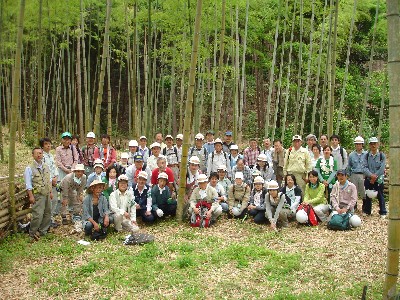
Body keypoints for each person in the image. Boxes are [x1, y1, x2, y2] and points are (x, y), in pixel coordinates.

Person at [24, 147, 53, 241]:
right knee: (38, 214)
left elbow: (49, 180)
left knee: (48, 213)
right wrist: (31, 196)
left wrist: (51, 192)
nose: (39, 155)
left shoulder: (46, 166)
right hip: (38, 194)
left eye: (40, 153)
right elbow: (28, 184)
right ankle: (32, 233)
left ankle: (42, 231)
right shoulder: (29, 168)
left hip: (47, 193)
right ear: (33, 155)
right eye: (37, 153)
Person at [363, 137, 387, 217]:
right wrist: (371, 175)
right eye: (371, 144)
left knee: (380, 195)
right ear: (369, 145)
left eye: (374, 143)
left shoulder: (381, 155)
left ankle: (383, 212)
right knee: (368, 195)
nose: (373, 145)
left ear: (377, 144)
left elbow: (382, 168)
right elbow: (364, 167)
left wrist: (375, 177)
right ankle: (367, 211)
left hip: (378, 179)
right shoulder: (366, 156)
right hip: (368, 179)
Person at [40, 137, 59, 228]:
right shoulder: (42, 157)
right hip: (47, 183)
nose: (48, 146)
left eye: (49, 144)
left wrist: (55, 177)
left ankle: (50, 219)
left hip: (53, 181)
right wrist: (51, 180)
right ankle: (46, 220)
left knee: (54, 200)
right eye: (46, 144)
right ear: (42, 146)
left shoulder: (51, 155)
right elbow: (44, 171)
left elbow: (54, 168)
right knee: (49, 201)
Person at [347, 136, 367, 209]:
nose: (358, 145)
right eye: (357, 144)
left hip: (363, 175)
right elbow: (349, 166)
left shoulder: (366, 154)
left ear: (362, 145)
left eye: (360, 144)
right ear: (355, 145)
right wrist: (348, 175)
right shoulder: (351, 155)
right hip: (354, 174)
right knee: (353, 191)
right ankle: (354, 206)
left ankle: (365, 207)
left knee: (363, 191)